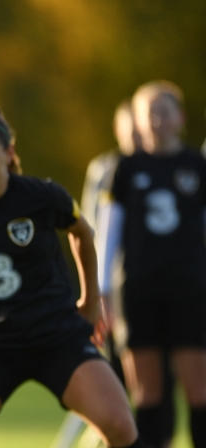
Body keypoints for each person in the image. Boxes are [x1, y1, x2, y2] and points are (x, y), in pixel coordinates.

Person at [0, 99, 144, 448]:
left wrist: (89, 301)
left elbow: (83, 233)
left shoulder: (42, 197)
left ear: (9, 153)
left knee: (120, 424)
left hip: (56, 336)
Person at [98, 81, 206, 448]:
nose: (157, 120)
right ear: (138, 121)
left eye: (164, 112)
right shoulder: (125, 168)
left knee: (199, 388)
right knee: (146, 392)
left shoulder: (196, 165)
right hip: (139, 289)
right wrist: (103, 290)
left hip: (189, 287)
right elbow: (108, 233)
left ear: (180, 117)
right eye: (150, 113)